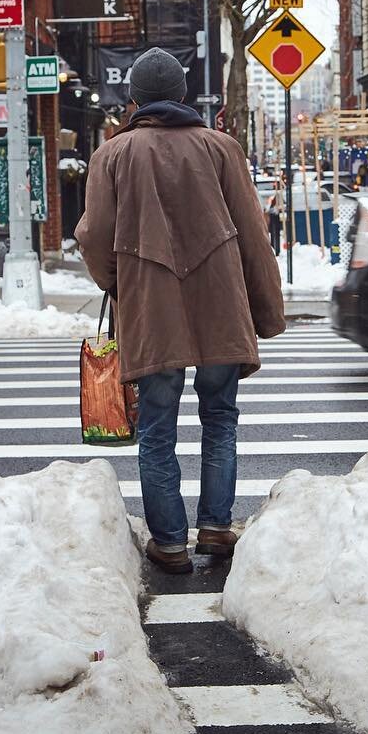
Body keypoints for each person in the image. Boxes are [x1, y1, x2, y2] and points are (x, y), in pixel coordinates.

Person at [75, 47, 285, 575]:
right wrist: (265, 309)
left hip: (152, 311)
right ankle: (216, 526)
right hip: (219, 306)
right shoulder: (222, 149)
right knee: (220, 419)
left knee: (157, 429)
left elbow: (94, 237)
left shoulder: (113, 155)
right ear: (184, 95)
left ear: (135, 100)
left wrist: (123, 286)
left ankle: (169, 544)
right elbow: (253, 236)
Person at [266, 177, 283, 254]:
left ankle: (276, 250)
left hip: (275, 216)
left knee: (275, 233)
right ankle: (274, 247)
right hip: (272, 215)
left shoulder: (279, 194)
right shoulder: (272, 195)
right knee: (273, 233)